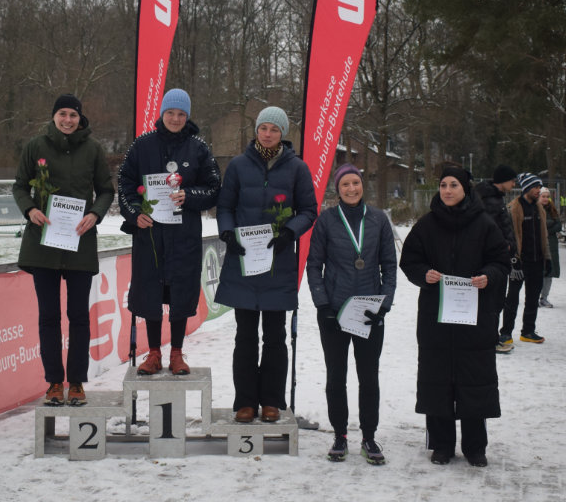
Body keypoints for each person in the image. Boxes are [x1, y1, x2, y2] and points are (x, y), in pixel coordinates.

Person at [399, 166, 509, 467]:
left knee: (474, 380)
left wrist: (488, 276)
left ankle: (475, 446)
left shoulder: (485, 224)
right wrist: (424, 274)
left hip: (474, 318)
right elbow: (409, 260)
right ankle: (442, 444)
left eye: (454, 185)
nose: (447, 190)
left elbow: (502, 261)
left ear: (466, 189)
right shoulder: (426, 225)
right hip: (436, 317)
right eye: (443, 185)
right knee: (438, 380)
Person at [215, 106, 317, 423]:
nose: (268, 133)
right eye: (263, 128)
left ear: (282, 133)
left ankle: (272, 400)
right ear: (256, 130)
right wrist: (228, 233)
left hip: (278, 264)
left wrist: (290, 232)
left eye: (274, 129)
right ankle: (245, 402)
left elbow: (309, 210)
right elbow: (225, 206)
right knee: (245, 336)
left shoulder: (297, 169)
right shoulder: (238, 166)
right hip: (244, 263)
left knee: (275, 337)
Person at [13, 93, 115, 406]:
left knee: (79, 317)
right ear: (54, 116)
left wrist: (95, 213)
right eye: (62, 114)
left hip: (79, 244)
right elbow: (19, 185)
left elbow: (106, 190)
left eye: (73, 115)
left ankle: (76, 384)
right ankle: (54, 383)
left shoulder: (94, 149)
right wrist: (30, 209)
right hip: (43, 245)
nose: (68, 120)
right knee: (49, 317)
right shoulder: (35, 146)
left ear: (79, 118)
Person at [117, 88, 221, 375]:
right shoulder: (142, 145)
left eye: (181, 114)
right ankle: (153, 353)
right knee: (149, 291)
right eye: (170, 113)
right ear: (161, 114)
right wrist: (135, 213)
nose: (175, 118)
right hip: (150, 233)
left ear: (187, 116)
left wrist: (189, 195)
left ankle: (176, 352)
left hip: (183, 235)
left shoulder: (198, 148)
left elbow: (213, 188)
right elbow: (124, 183)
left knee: (180, 293)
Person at [306, 164, 397, 465]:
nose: (351, 189)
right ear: (337, 188)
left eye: (355, 183)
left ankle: (369, 437)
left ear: (362, 185)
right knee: (336, 377)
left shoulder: (379, 220)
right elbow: (314, 264)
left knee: (368, 377)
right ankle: (340, 435)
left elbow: (389, 265)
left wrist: (383, 306)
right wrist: (323, 304)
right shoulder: (327, 220)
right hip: (334, 311)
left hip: (369, 311)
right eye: (345, 184)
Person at [499, 173, 551, 346]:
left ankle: (528, 330)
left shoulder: (539, 207)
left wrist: (548, 258)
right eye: (536, 187)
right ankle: (506, 332)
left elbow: (544, 234)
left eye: (539, 187)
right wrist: (514, 260)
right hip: (520, 262)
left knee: (533, 297)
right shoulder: (514, 207)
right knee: (512, 297)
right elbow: (510, 235)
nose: (539, 190)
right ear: (527, 188)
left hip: (537, 260)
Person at [474, 165, 518, 353]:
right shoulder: (488, 200)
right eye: (512, 180)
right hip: (493, 259)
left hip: (499, 257)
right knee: (492, 302)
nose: (514, 184)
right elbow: (488, 230)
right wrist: (502, 245)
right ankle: (487, 340)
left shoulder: (496, 198)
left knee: (497, 301)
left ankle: (490, 338)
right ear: (503, 180)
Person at [538, 187, 561, 308]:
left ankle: (544, 297)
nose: (546, 199)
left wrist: (546, 228)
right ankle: (535, 296)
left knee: (549, 273)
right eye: (543, 196)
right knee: (538, 272)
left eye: (547, 196)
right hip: (539, 244)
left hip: (551, 245)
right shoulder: (535, 209)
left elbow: (559, 226)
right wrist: (548, 226)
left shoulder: (552, 210)